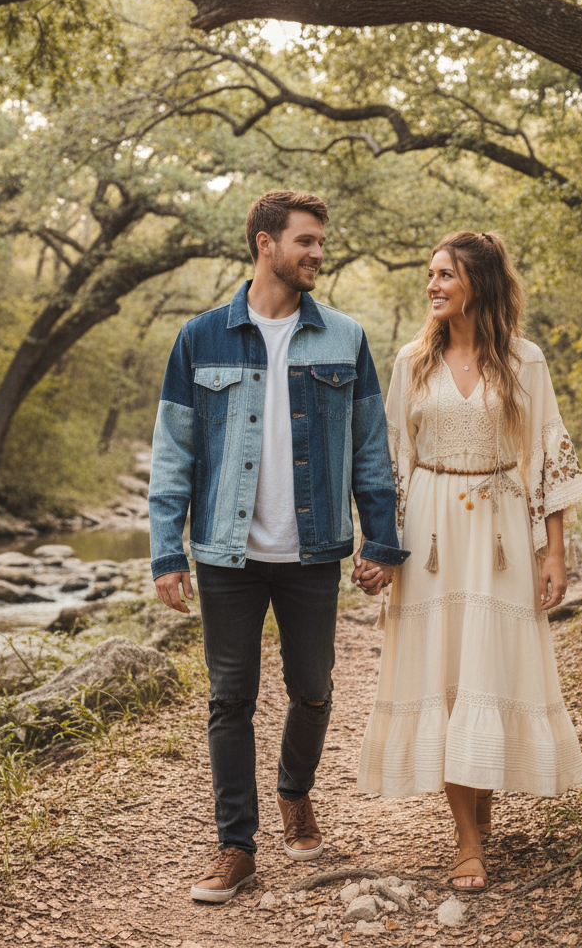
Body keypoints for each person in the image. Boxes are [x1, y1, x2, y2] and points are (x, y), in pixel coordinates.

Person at [149, 189, 408, 904]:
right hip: (226, 554)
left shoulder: (345, 337)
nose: (318, 253)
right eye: (306, 241)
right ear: (265, 244)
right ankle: (236, 846)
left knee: (315, 689)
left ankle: (295, 787)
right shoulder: (200, 337)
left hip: (313, 551)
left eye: (321, 242)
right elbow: (174, 452)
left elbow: (370, 452)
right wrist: (166, 551)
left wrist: (382, 542)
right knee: (230, 699)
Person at [355, 230, 582, 892]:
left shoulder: (525, 362)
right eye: (430, 275)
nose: (432, 286)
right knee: (445, 674)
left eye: (444, 276)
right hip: (429, 534)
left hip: (499, 531)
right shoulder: (411, 362)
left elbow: (549, 455)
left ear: (478, 285)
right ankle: (466, 840)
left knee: (488, 669)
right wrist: (380, 548)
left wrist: (555, 553)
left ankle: (480, 816)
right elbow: (390, 461)